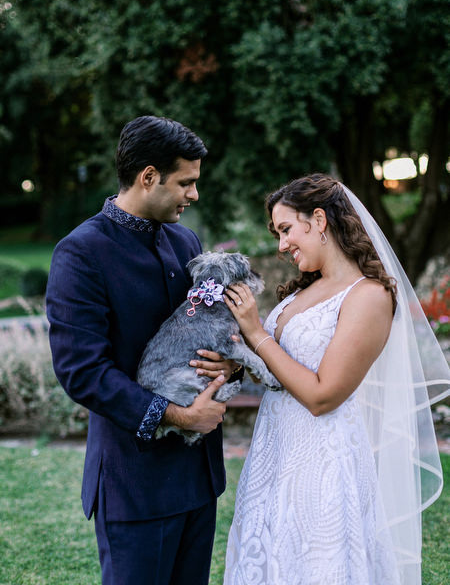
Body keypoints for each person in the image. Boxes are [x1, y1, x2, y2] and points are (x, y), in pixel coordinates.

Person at [222, 174, 449, 585]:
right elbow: (276, 368)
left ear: (319, 220)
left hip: (322, 461)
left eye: (286, 229)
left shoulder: (369, 296)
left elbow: (323, 395)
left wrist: (256, 332)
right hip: (274, 452)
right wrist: (233, 358)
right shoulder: (301, 292)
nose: (281, 245)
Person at [46, 115, 243, 585]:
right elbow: (82, 372)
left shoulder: (186, 240)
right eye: (186, 183)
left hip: (199, 479)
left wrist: (229, 364)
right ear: (149, 176)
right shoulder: (80, 253)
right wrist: (180, 416)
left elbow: (210, 330)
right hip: (133, 484)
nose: (194, 194)